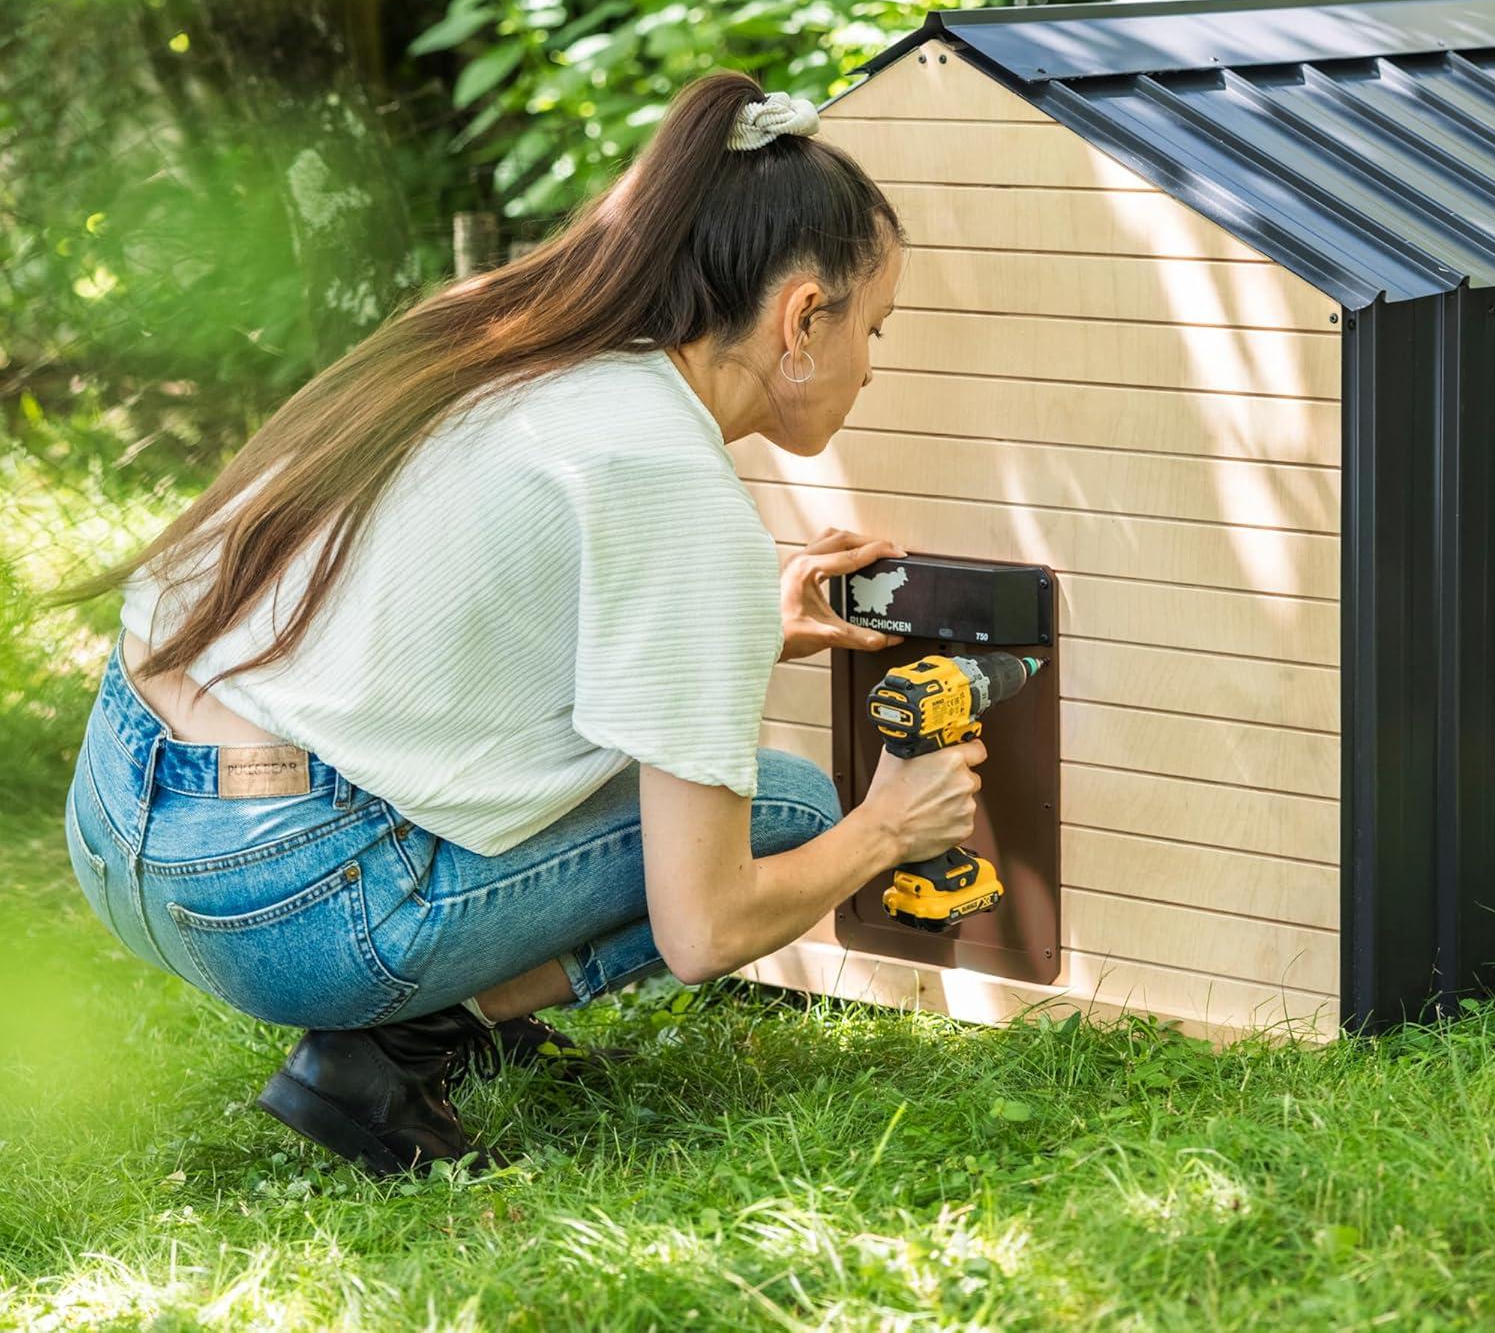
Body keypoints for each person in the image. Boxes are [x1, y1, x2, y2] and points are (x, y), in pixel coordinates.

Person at [48, 74, 989, 1177]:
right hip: (275, 900)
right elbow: (708, 929)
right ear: (800, 320)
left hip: (120, 812)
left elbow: (446, 605)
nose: (873, 365)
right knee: (789, 811)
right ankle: (394, 1051)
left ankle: (403, 1023)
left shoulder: (519, 342)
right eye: (873, 328)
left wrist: (737, 631)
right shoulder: (673, 484)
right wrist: (887, 829)